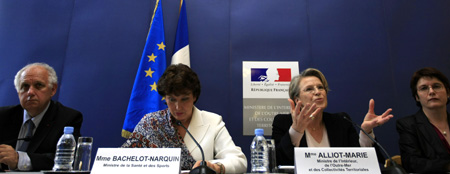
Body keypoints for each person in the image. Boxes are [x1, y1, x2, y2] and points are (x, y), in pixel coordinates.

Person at [122, 64, 247, 173]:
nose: (178, 107)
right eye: (172, 99)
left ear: (194, 97)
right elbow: (124, 161)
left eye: (184, 99)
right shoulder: (150, 123)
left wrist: (215, 167)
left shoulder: (212, 122)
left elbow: (238, 160)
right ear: (165, 98)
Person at [272, 68, 393, 165]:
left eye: (320, 87)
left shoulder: (341, 121)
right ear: (297, 99)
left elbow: (361, 162)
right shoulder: (283, 122)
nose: (317, 92)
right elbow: (279, 163)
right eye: (309, 89)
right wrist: (296, 131)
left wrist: (366, 132)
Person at [0, 62, 83, 171]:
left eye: (38, 85)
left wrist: (19, 160)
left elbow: (65, 161)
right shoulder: (3, 116)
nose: (30, 92)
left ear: (53, 89)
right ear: (18, 92)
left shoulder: (67, 118)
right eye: (25, 86)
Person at [396, 67, 450, 173]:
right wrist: (447, 166)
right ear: (417, 97)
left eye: (436, 86)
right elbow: (412, 163)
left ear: (448, 93)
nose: (431, 92)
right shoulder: (408, 125)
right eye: (424, 88)